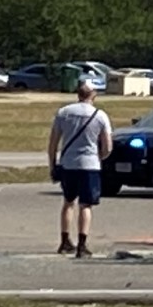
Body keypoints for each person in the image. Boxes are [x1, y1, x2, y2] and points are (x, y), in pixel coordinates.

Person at [47, 79, 113, 258]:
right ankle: (82, 244)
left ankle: (64, 240)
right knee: (86, 205)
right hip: (89, 164)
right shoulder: (100, 116)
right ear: (93, 94)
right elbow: (107, 146)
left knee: (68, 202)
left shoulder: (64, 112)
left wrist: (53, 164)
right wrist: (99, 157)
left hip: (68, 163)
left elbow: (53, 143)